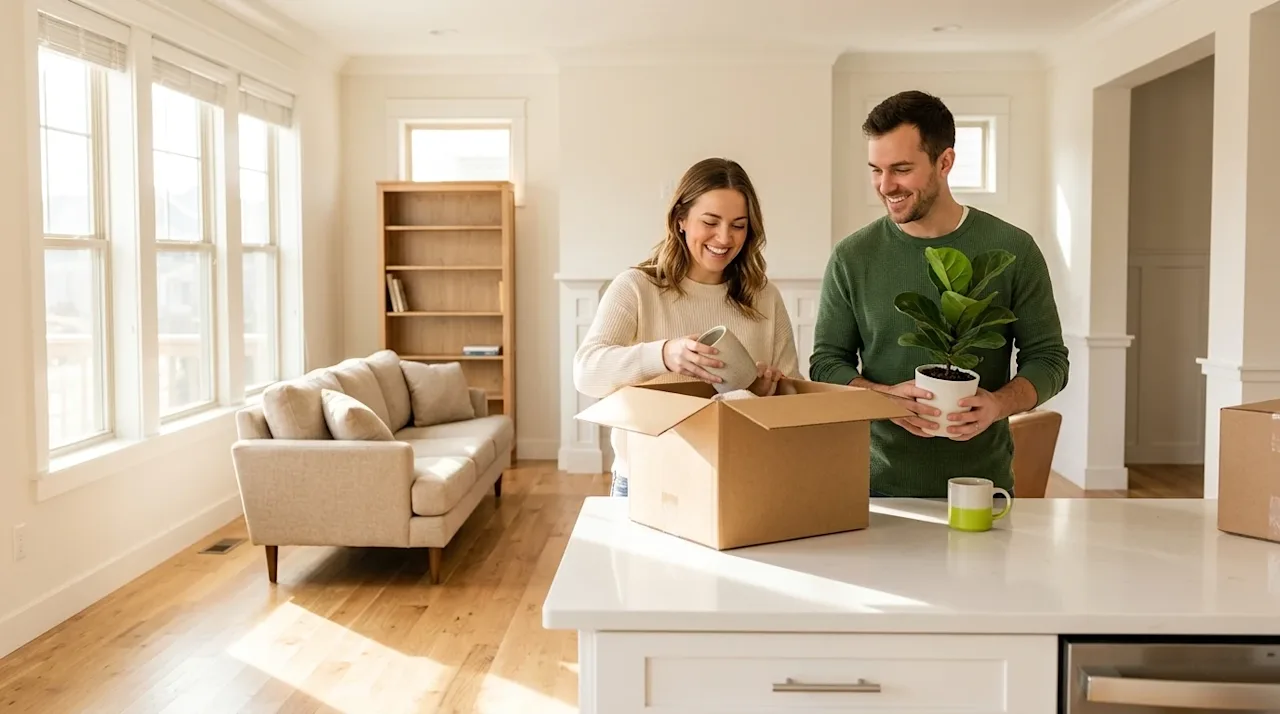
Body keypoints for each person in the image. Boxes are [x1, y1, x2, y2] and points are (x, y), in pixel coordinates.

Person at [810, 90, 1069, 499]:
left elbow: (1050, 360)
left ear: (944, 162)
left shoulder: (1013, 249)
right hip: (874, 491)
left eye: (901, 169)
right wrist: (884, 398)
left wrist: (999, 405)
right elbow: (826, 364)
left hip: (982, 487)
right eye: (875, 170)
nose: (885, 185)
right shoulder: (852, 256)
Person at [573, 157, 802, 497]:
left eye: (738, 225)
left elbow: (794, 397)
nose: (724, 238)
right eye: (710, 221)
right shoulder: (636, 288)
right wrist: (663, 355)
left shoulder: (764, 297)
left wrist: (764, 392)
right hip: (648, 482)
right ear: (680, 219)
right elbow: (586, 373)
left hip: (738, 480)